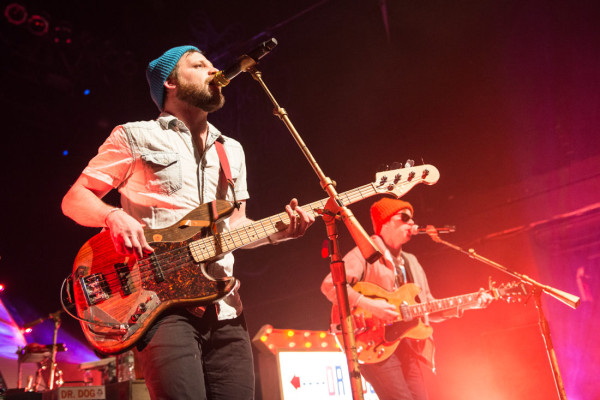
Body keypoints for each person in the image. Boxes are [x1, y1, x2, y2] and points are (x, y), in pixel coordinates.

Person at [62, 45, 314, 400]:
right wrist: (113, 215)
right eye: (199, 65)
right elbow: (74, 199)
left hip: (225, 308)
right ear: (170, 82)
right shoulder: (135, 136)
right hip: (158, 305)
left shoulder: (232, 150)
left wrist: (279, 233)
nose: (214, 71)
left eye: (212, 64)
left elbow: (235, 227)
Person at [320, 197, 492, 400]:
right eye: (404, 218)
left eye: (412, 219)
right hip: (373, 341)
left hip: (408, 343)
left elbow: (427, 306)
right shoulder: (365, 254)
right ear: (384, 223)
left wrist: (469, 303)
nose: (411, 223)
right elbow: (330, 284)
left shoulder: (412, 262)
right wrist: (370, 305)